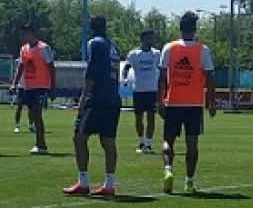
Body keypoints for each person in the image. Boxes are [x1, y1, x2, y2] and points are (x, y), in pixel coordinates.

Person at [62, 15, 122, 197]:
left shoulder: (94, 43)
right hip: (113, 99)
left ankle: (83, 182)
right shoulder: (113, 46)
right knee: (108, 141)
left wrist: (83, 98)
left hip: (97, 100)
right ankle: (109, 184)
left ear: (91, 27)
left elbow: (92, 71)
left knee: (79, 137)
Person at [158, 11, 217, 194]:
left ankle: (168, 170)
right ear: (195, 29)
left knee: (168, 141)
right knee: (192, 144)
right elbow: (210, 78)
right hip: (194, 104)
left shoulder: (169, 48)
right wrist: (212, 102)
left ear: (180, 29)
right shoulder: (202, 50)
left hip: (173, 103)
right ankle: (189, 182)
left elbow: (161, 77)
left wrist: (160, 100)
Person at [12, 24, 56, 155]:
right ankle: (39, 144)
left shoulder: (43, 48)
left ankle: (41, 145)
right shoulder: (24, 49)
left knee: (37, 113)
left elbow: (51, 67)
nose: (22, 36)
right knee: (33, 114)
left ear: (31, 33)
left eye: (24, 34)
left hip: (41, 86)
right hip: (29, 87)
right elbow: (21, 67)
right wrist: (14, 83)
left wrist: (53, 87)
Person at [122, 29, 161, 153]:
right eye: (150, 38)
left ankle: (148, 144)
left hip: (152, 90)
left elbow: (162, 68)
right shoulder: (134, 54)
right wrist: (125, 78)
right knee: (138, 118)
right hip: (138, 90)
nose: (153, 40)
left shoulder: (156, 53)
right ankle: (141, 142)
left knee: (151, 117)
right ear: (144, 39)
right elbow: (126, 68)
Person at [12, 56, 32, 133]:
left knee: (31, 108)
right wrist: (14, 84)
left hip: (30, 87)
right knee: (19, 107)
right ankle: (17, 125)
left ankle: (31, 125)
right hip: (21, 87)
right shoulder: (20, 64)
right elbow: (17, 73)